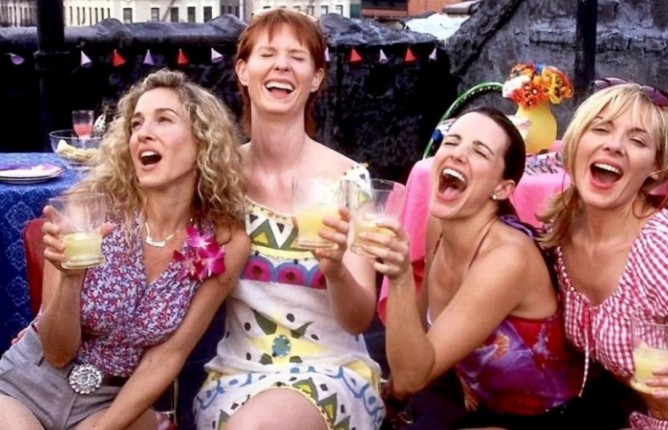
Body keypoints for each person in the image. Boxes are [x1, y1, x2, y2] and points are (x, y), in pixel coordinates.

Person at [0, 69, 250, 429]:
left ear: (202, 141)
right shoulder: (89, 207)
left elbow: (168, 356)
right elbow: (56, 352)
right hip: (28, 382)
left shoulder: (224, 243)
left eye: (164, 119)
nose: (143, 133)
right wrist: (71, 279)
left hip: (111, 402)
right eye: (136, 124)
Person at [193, 9, 385, 430]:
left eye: (297, 57)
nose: (281, 65)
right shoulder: (217, 178)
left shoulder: (349, 180)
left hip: (331, 372)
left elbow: (358, 320)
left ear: (316, 78)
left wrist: (335, 269)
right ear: (243, 71)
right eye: (268, 54)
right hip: (236, 375)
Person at [368, 106, 584, 429]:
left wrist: (399, 277)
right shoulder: (439, 225)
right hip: (475, 401)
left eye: (479, 151)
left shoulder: (507, 259)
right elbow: (422, 336)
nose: (457, 154)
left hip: (546, 417)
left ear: (503, 188)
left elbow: (412, 377)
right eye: (452, 142)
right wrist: (391, 397)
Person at [539, 79, 668, 428]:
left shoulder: (663, 246)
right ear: (575, 142)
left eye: (637, 140)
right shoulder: (565, 227)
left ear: (656, 167)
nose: (614, 145)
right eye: (601, 129)